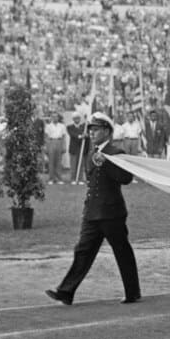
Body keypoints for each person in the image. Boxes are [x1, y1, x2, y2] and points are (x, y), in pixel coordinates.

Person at [45, 112, 142, 305]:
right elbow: (92, 183)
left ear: (107, 131)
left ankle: (132, 291)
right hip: (93, 211)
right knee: (82, 251)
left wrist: (105, 163)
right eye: (90, 129)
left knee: (121, 251)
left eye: (96, 129)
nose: (91, 133)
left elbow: (126, 178)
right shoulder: (91, 152)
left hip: (111, 212)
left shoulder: (116, 153)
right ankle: (66, 291)